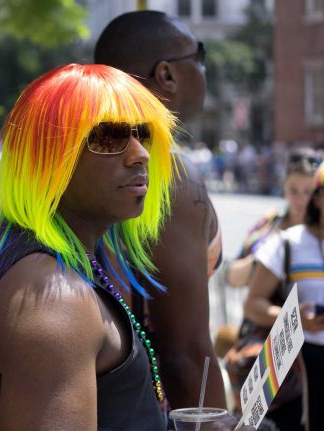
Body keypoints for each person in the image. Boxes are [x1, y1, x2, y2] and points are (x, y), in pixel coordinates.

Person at [0, 63, 179, 430]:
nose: (140, 154)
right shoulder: (52, 297)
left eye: (143, 133)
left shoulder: (49, 269)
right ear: (49, 156)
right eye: (109, 136)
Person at [94, 10, 226, 409]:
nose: (203, 70)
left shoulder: (89, 159)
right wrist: (215, 422)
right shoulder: (166, 177)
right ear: (166, 74)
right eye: (198, 57)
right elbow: (185, 354)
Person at [245, 163, 324, 431]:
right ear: (318, 198)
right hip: (300, 365)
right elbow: (253, 304)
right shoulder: (288, 243)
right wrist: (293, 317)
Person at [227, 149, 320, 287]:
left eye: (307, 192)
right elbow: (232, 276)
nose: (300, 200)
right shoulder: (270, 221)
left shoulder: (320, 233)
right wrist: (265, 256)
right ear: (284, 187)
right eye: (293, 190)